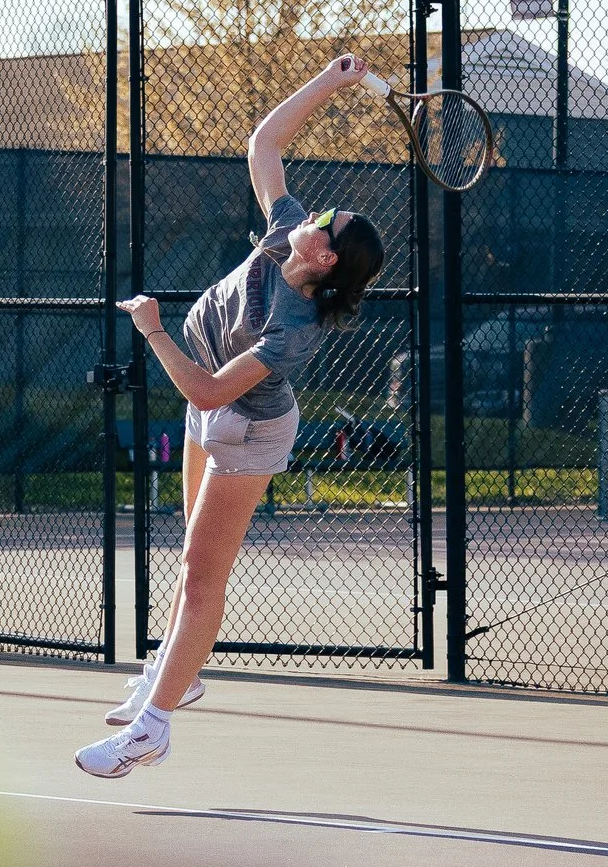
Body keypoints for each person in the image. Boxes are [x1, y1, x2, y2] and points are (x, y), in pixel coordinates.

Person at [78, 55, 388, 779]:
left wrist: (153, 330)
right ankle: (178, 677)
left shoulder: (293, 329)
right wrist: (329, 79)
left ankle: (151, 729)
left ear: (328, 255)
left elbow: (214, 393)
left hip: (247, 431)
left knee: (202, 578)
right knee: (190, 556)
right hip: (206, 407)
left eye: (325, 222)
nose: (312, 214)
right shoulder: (285, 229)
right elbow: (264, 144)